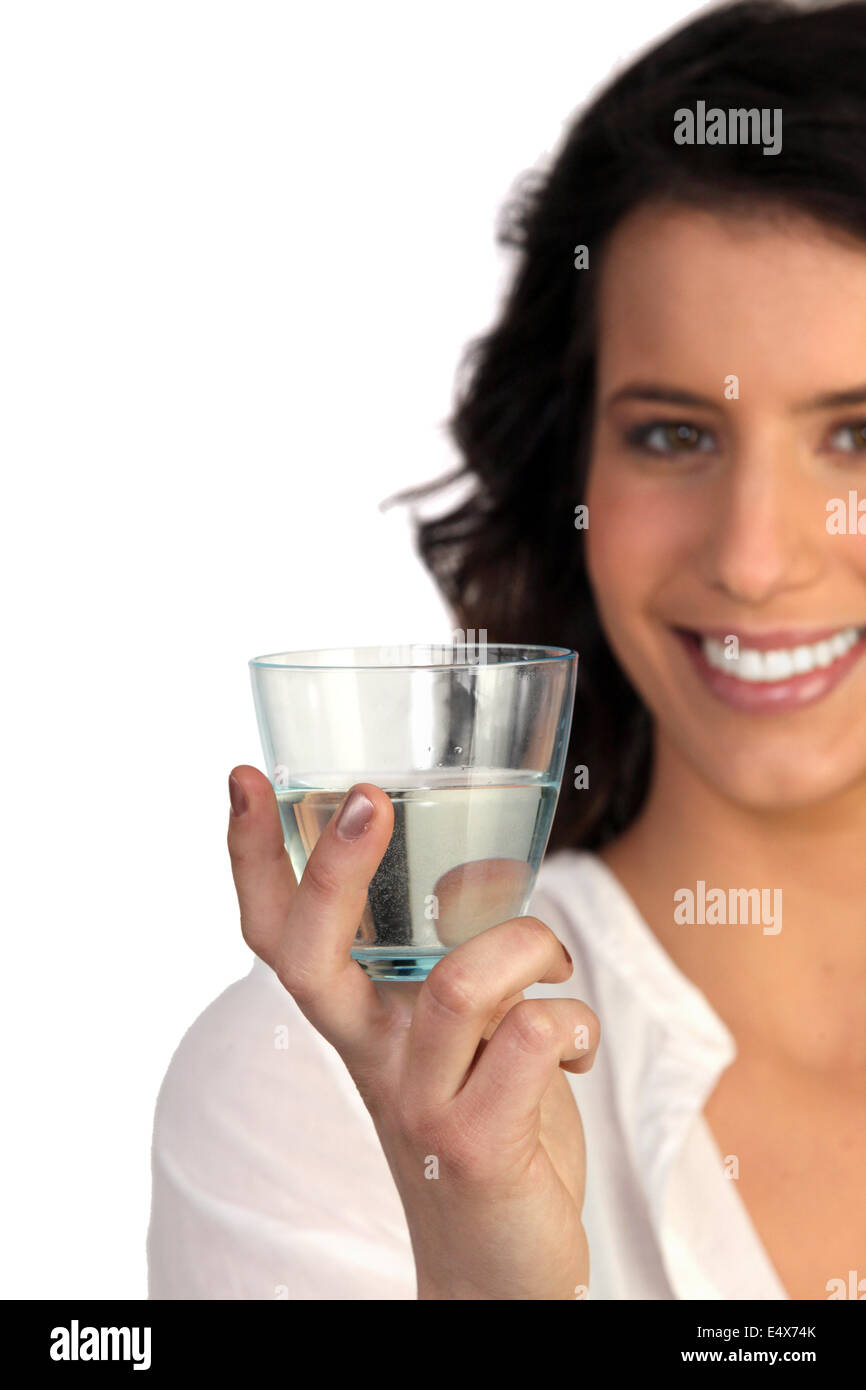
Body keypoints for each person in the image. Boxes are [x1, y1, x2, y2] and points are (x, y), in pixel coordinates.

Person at [147, 0, 866, 1300]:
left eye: (857, 435)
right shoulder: (321, 1086)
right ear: (567, 471)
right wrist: (483, 1268)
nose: (754, 557)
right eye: (670, 434)